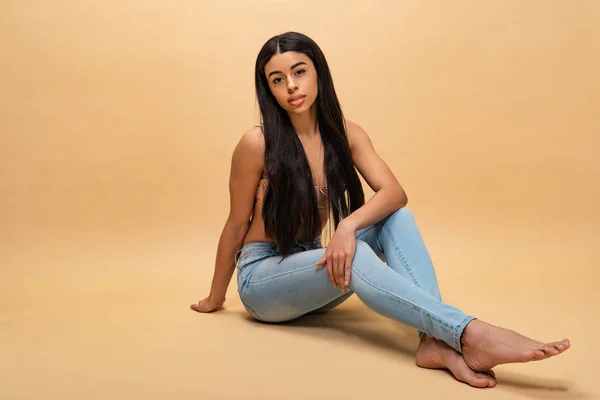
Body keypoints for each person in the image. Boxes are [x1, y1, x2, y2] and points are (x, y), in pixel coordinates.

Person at [190, 31, 570, 388]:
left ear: (317, 72)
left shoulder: (346, 133)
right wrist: (215, 297)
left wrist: (346, 227)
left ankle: (433, 343)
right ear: (268, 90)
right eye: (277, 79)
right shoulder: (256, 143)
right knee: (355, 255)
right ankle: (467, 332)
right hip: (264, 281)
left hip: (312, 267)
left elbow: (395, 193)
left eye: (299, 71)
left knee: (396, 217)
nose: (290, 85)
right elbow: (236, 223)